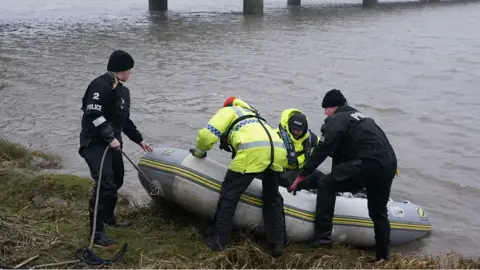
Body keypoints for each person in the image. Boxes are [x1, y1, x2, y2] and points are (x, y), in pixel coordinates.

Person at [288, 89, 397, 262]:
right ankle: (383, 256)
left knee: (325, 184)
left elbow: (322, 150)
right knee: (378, 212)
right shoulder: (363, 118)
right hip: (389, 164)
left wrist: (303, 174)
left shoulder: (337, 119)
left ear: (334, 107)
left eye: (326, 108)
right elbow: (343, 156)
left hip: (367, 163)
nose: (325, 113)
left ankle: (322, 239)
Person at [189, 96, 287, 257]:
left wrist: (200, 152)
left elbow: (207, 135)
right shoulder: (254, 115)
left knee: (229, 195)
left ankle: (219, 240)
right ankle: (277, 243)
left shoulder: (229, 111)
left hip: (253, 153)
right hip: (277, 152)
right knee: (272, 198)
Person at [78, 50, 153, 246]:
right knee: (105, 183)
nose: (131, 74)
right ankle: (96, 232)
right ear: (122, 70)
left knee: (117, 179)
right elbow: (93, 114)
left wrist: (139, 140)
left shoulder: (123, 91)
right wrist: (109, 137)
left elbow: (124, 120)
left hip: (113, 143)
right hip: (94, 143)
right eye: (130, 70)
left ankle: (109, 219)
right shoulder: (100, 85)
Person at [273, 108, 325, 191]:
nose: (296, 132)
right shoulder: (275, 136)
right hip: (281, 171)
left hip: (300, 170)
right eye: (294, 129)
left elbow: (325, 146)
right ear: (289, 126)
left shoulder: (310, 138)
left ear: (304, 129)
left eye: (299, 130)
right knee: (304, 179)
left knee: (322, 178)